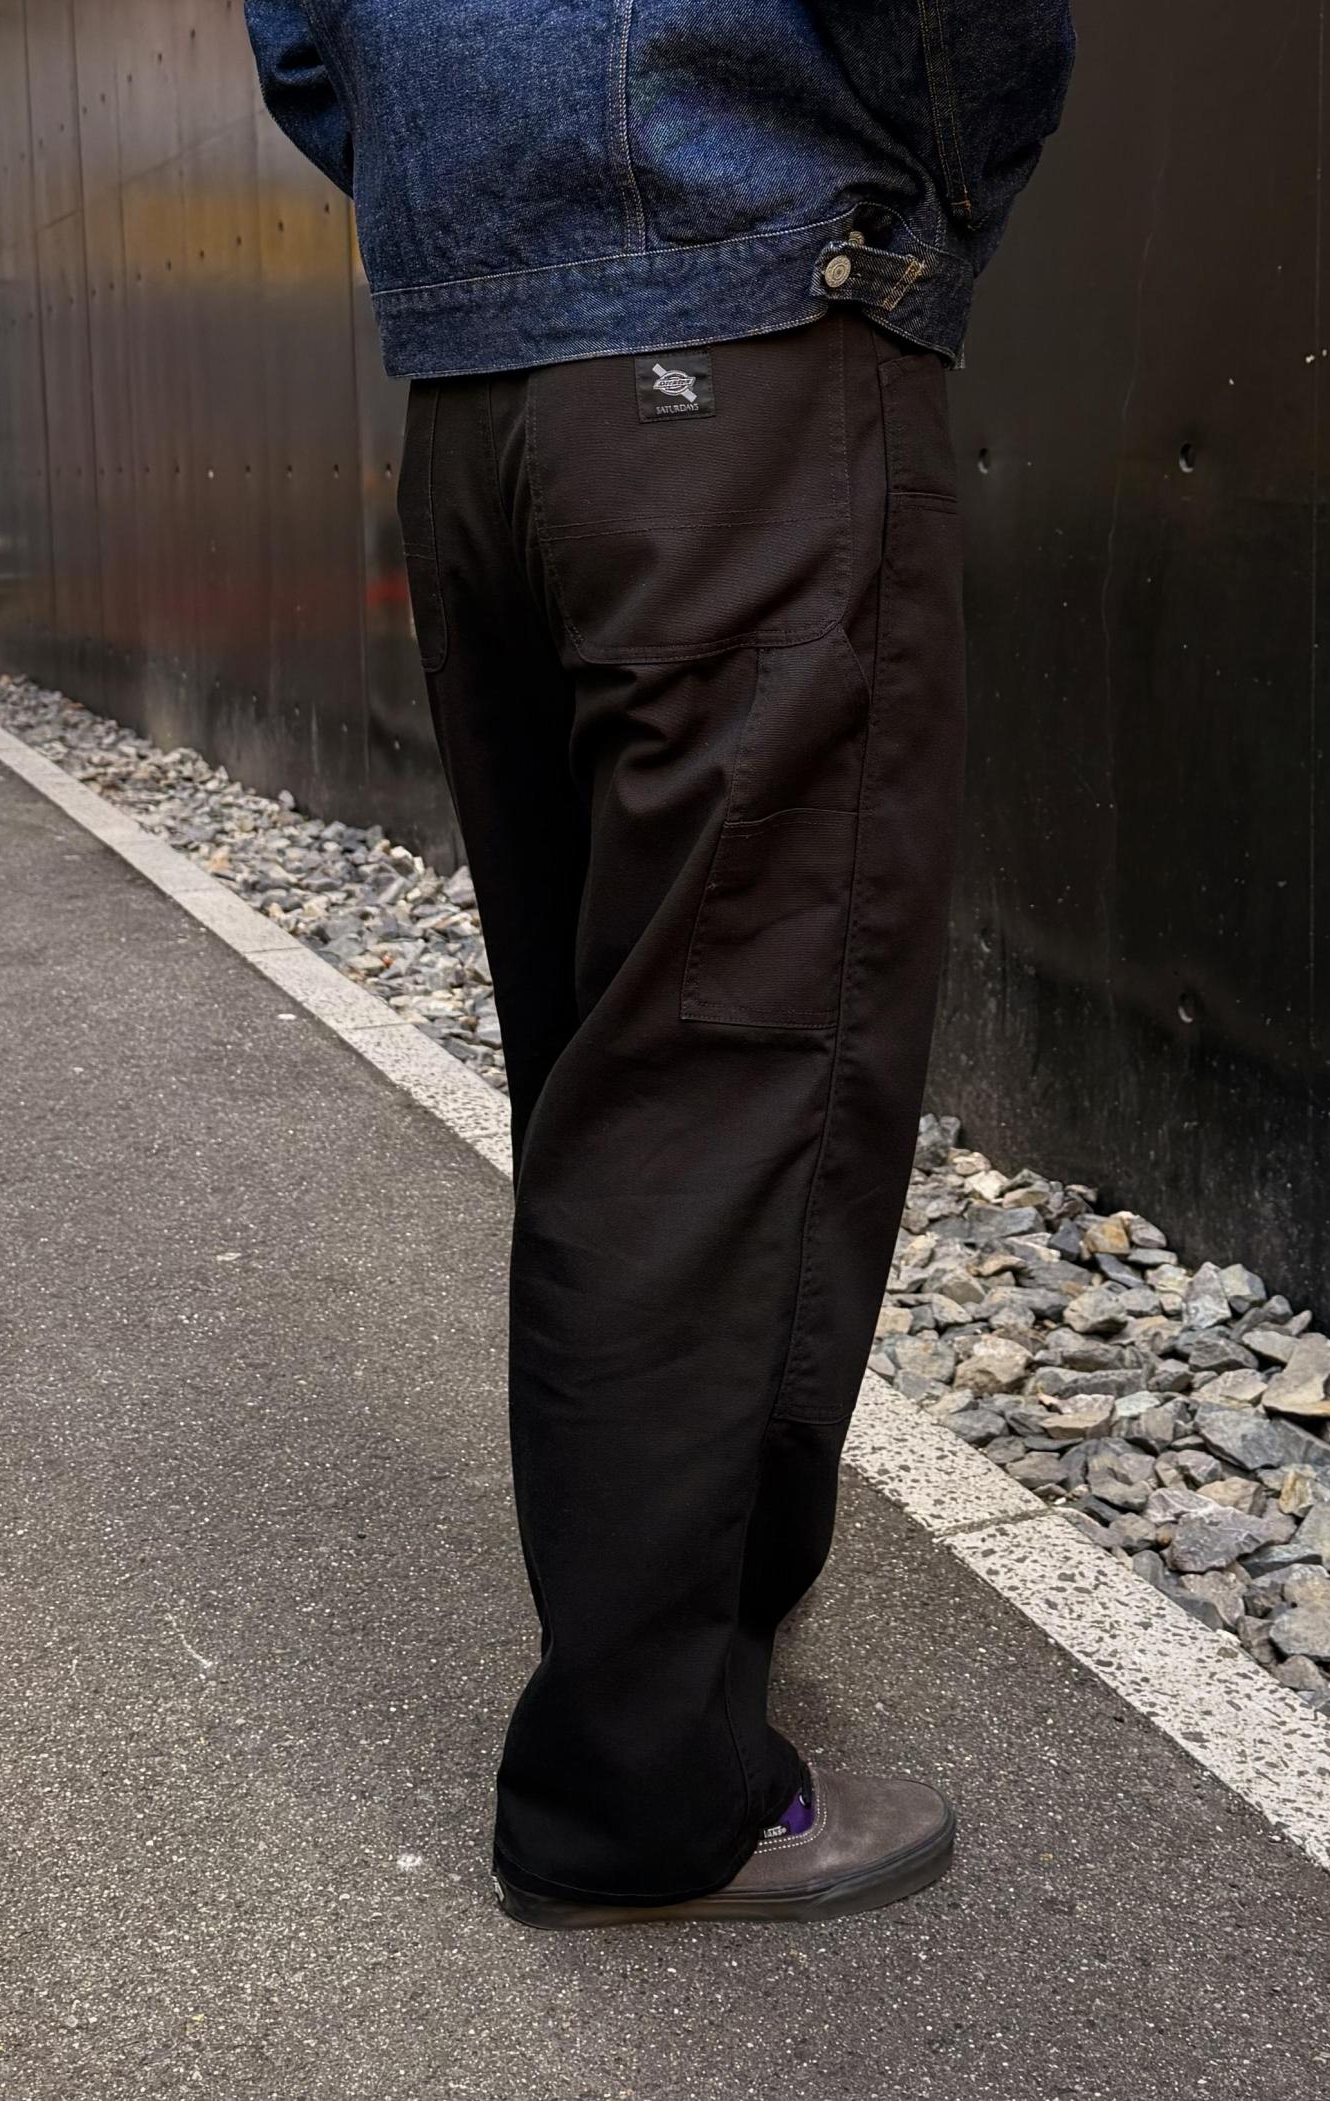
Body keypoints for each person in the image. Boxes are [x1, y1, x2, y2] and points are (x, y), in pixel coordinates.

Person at [243, 0, 1075, 1929]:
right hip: (745, 355)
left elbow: (301, 42)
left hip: (482, 416)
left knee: (616, 1059)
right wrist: (931, 208)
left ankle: (700, 1616)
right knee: (733, 1072)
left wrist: (491, 220)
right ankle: (645, 1799)